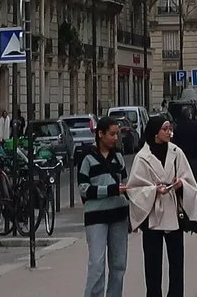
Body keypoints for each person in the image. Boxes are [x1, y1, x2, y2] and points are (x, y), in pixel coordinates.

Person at [125, 114, 197, 297]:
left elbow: (190, 180)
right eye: (165, 129)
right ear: (155, 133)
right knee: (152, 264)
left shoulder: (176, 152)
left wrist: (180, 184)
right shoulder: (142, 157)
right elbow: (134, 188)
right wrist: (153, 190)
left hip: (173, 213)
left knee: (176, 262)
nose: (169, 132)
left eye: (169, 129)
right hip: (152, 215)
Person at [77, 118, 131, 297]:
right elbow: (83, 189)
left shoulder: (118, 157)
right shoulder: (87, 157)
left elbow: (124, 183)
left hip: (118, 215)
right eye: (112, 134)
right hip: (96, 217)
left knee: (118, 264)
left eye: (117, 134)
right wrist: (110, 190)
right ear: (100, 134)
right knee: (97, 264)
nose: (116, 138)